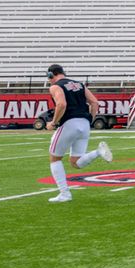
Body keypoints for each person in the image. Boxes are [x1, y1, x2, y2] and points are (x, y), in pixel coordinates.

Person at [40, 63, 112, 203]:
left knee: (55, 158)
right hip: (84, 124)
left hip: (69, 123)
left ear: (50, 75)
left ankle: (65, 193)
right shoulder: (79, 84)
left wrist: (53, 122)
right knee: (76, 162)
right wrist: (90, 119)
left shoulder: (55, 86)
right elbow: (94, 102)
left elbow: (61, 104)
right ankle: (98, 152)